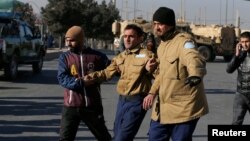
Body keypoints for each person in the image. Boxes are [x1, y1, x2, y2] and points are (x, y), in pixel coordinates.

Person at [143, 7, 209, 141]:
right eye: (155, 24)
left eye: (160, 24)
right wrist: (152, 92)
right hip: (163, 108)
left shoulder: (184, 41)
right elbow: (162, 74)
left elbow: (193, 58)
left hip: (184, 107)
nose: (157, 28)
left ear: (170, 25)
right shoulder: (162, 46)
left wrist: (195, 74)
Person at [86, 24, 157, 141]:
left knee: (122, 138)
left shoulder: (147, 55)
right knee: (117, 134)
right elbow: (106, 73)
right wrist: (88, 78)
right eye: (125, 36)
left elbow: (159, 76)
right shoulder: (121, 56)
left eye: (131, 36)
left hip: (137, 102)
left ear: (140, 38)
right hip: (122, 101)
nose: (127, 39)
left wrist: (150, 73)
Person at [57, 26, 112, 141]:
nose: (68, 43)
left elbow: (112, 70)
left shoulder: (97, 56)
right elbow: (62, 78)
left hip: (92, 105)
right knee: (64, 139)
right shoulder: (65, 57)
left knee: (104, 138)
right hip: (71, 106)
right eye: (67, 40)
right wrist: (81, 83)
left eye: (72, 40)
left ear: (81, 40)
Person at [226, 31, 250, 125]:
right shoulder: (239, 56)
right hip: (240, 95)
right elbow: (229, 70)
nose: (244, 44)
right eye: (242, 42)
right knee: (236, 123)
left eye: (247, 41)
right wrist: (236, 55)